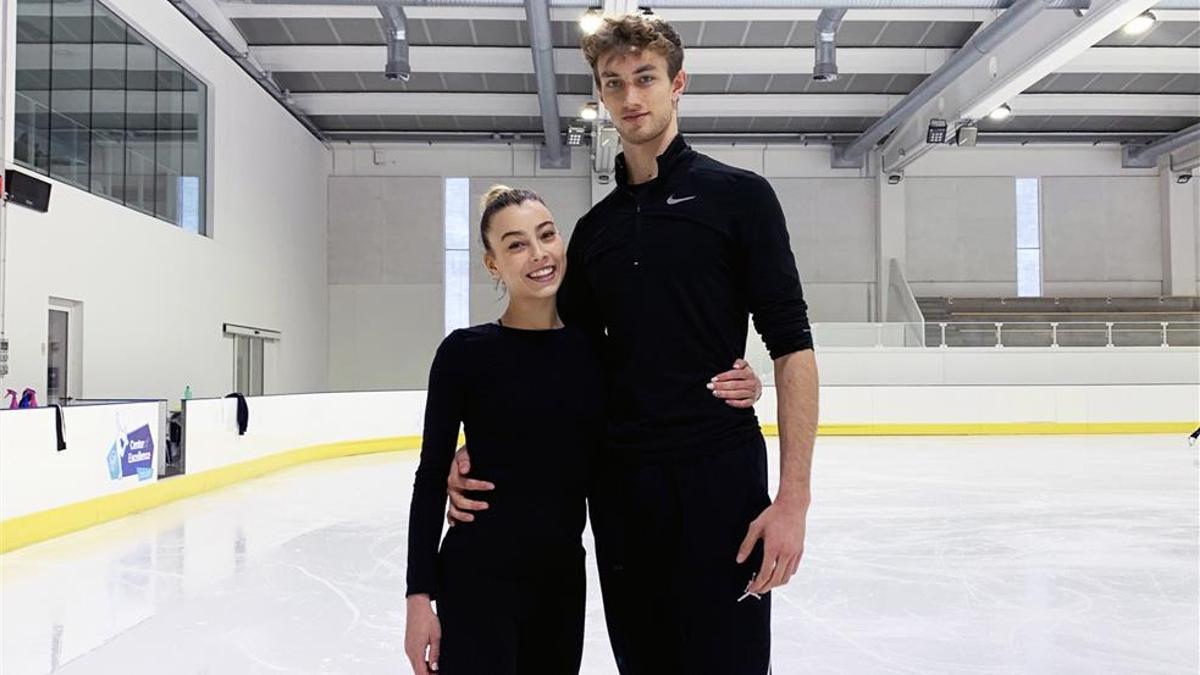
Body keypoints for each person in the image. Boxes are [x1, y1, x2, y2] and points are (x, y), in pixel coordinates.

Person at [447, 13, 820, 675]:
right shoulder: (595, 233)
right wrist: (484, 441)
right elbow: (563, 358)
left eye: (645, 78)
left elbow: (792, 345)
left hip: (720, 480)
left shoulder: (740, 198)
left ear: (678, 85)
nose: (631, 97)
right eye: (613, 83)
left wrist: (792, 501)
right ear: (601, 96)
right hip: (621, 491)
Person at [404, 185, 763, 675]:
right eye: (515, 244)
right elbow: (429, 478)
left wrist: (745, 382)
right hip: (479, 579)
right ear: (493, 265)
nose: (538, 254)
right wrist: (419, 598)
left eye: (546, 235)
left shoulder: (598, 356)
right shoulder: (464, 353)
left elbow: (667, 392)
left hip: (561, 586)